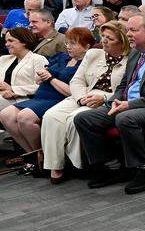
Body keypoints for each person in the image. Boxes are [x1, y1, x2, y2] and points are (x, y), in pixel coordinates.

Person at [73, 14, 145, 194]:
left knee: (125, 118)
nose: (128, 34)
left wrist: (130, 104)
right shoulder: (136, 53)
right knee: (84, 118)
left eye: (133, 30)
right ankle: (113, 167)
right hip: (127, 104)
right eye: (127, 30)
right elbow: (124, 84)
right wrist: (115, 100)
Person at [40, 22, 129, 183]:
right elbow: (77, 80)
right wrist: (81, 98)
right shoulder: (94, 53)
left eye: (109, 38)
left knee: (75, 118)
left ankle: (79, 165)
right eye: (103, 37)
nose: (104, 41)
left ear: (122, 41)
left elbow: (126, 90)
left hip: (108, 98)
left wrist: (103, 99)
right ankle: (55, 165)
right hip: (84, 94)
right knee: (51, 116)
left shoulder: (132, 58)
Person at [0, 27, 89, 174]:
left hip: (57, 98)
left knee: (24, 118)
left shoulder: (84, 64)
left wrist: (50, 78)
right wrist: (42, 76)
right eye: (67, 43)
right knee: (5, 115)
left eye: (73, 44)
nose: (68, 47)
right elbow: (38, 78)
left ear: (87, 47)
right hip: (41, 95)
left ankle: (45, 156)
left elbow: (71, 91)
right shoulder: (62, 57)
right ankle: (35, 155)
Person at [0, 28, 50, 112]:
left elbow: (41, 87)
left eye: (10, 41)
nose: (6, 44)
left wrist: (13, 89)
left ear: (24, 42)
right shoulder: (4, 59)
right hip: (2, 96)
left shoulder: (38, 59)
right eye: (6, 41)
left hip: (23, 100)